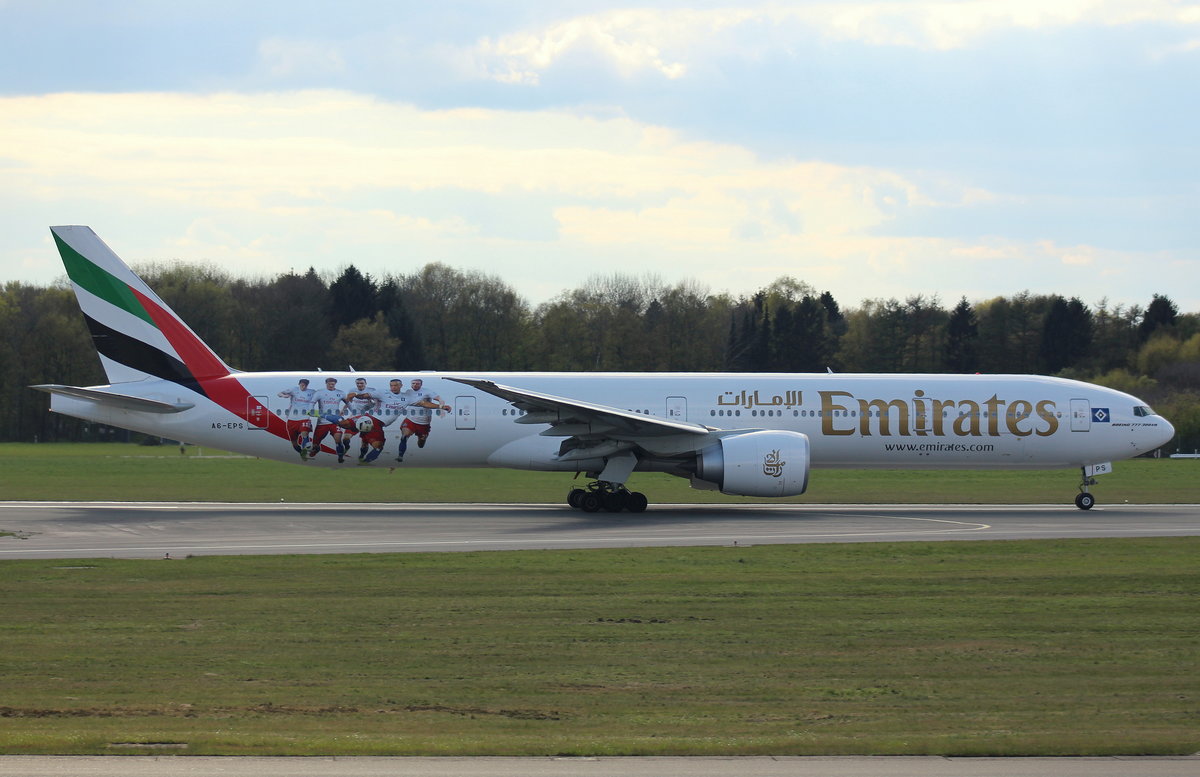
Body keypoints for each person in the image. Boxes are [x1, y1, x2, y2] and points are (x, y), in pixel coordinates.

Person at [396, 378, 451, 462]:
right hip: (410, 419)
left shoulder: (427, 392)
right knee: (404, 436)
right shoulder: (408, 392)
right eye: (413, 383)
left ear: (421, 385)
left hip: (423, 422)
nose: (415, 385)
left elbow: (439, 399)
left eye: (417, 383)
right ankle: (400, 456)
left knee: (421, 443)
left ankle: (422, 439)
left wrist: (442, 406)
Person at [310, 377, 349, 462]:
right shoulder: (319, 393)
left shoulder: (340, 393)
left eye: (333, 384)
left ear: (335, 384)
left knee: (338, 440)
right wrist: (312, 411)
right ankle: (316, 448)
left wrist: (344, 409)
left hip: (335, 421)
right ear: (326, 384)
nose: (331, 386)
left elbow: (349, 403)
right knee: (315, 444)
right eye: (329, 384)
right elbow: (311, 404)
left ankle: (340, 456)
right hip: (322, 422)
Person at [344, 377, 384, 460]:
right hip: (355, 417)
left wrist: (372, 403)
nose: (359, 385)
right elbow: (349, 401)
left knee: (364, 443)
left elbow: (376, 402)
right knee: (346, 438)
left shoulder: (371, 390)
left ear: (365, 383)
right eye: (358, 383)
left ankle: (361, 456)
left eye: (361, 383)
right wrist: (343, 409)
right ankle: (347, 446)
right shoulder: (352, 390)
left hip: (367, 419)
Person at [278, 379, 317, 460]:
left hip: (304, 417)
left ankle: (306, 449)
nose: (303, 387)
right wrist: (284, 396)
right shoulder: (294, 390)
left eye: (305, 385)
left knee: (304, 434)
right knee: (294, 444)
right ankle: (302, 453)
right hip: (292, 419)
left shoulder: (311, 392)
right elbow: (279, 393)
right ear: (299, 384)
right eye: (302, 385)